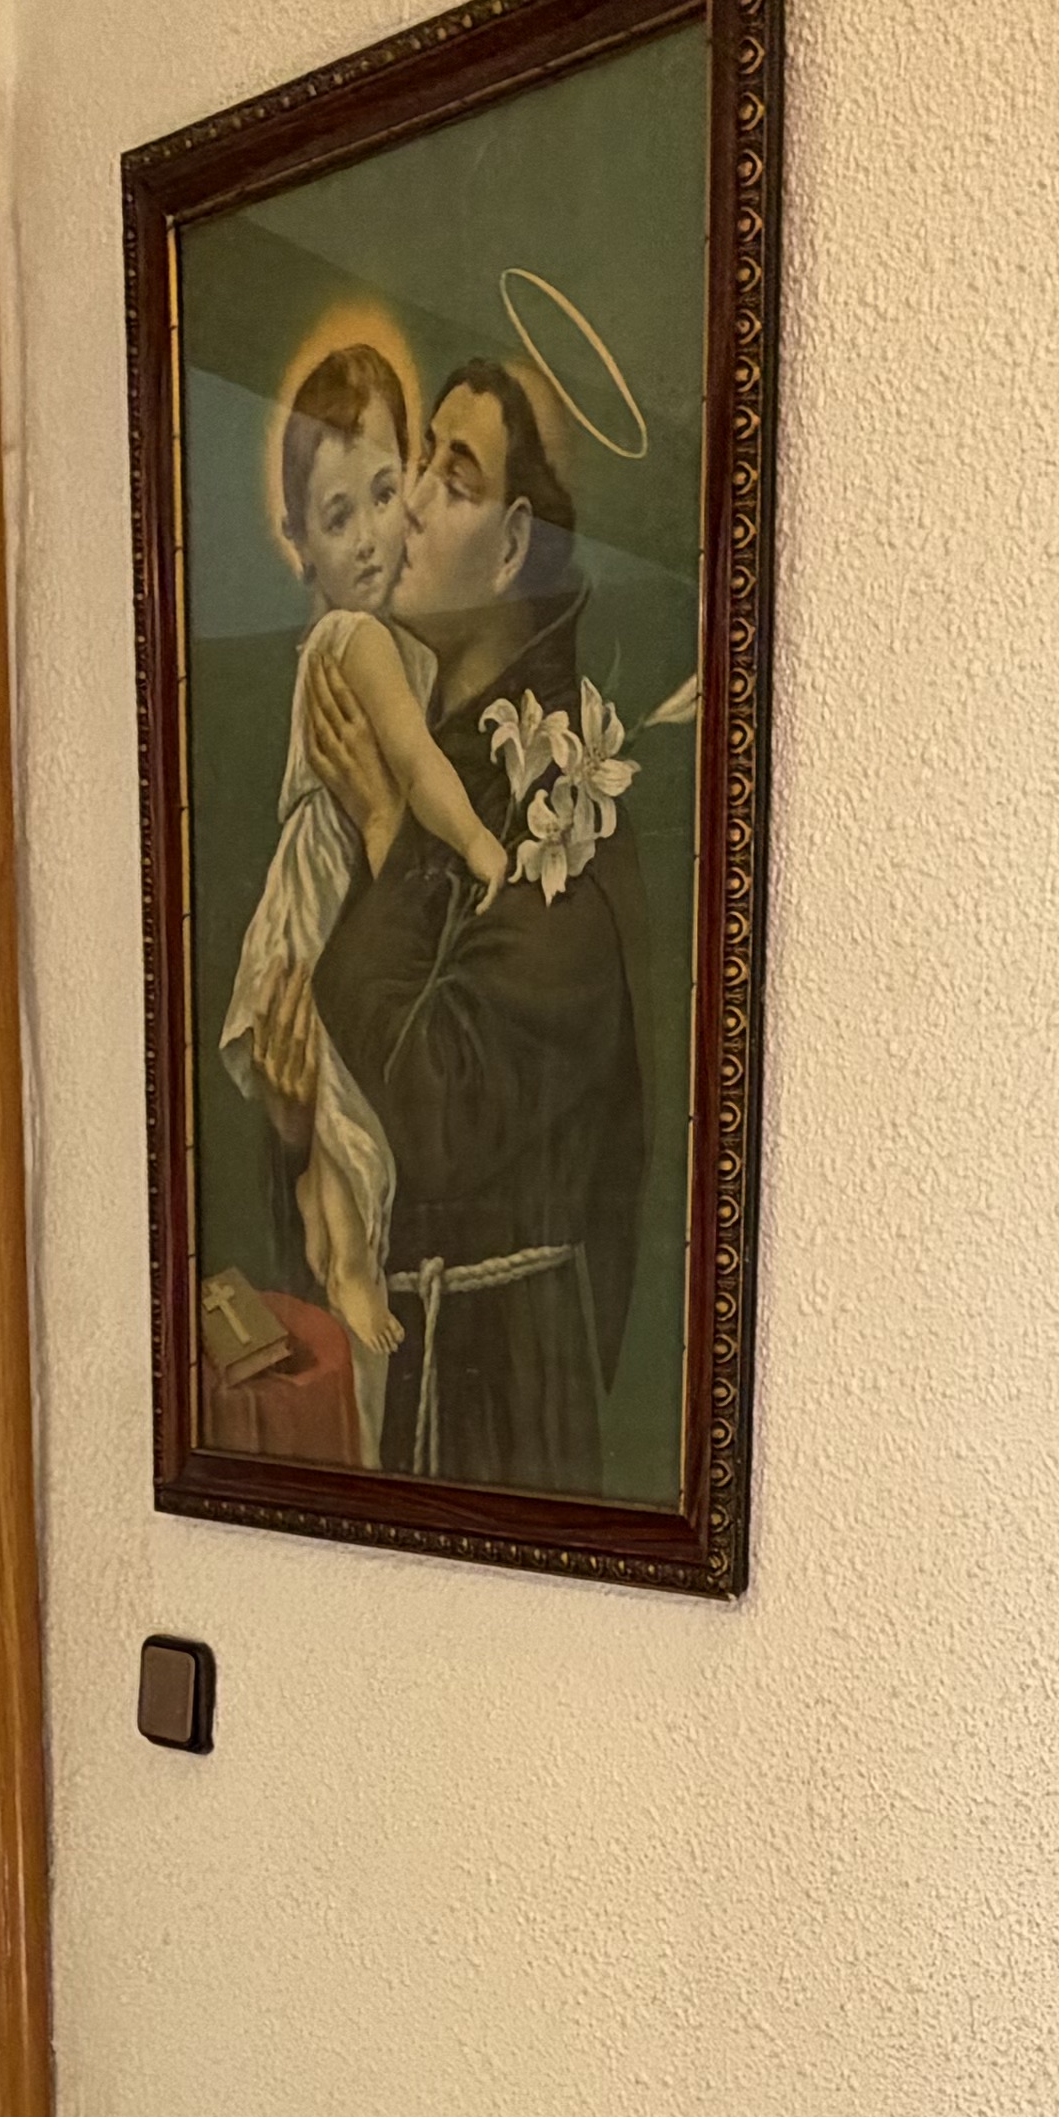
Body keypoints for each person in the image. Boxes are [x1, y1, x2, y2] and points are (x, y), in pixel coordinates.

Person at [306, 357, 652, 1495]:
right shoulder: (416, 741)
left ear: (509, 548)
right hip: (408, 1360)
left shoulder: (568, 806)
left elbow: (443, 1106)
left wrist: (386, 831)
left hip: (504, 1389)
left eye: (450, 483)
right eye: (418, 464)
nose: (405, 505)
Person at [208, 341, 478, 1461]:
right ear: (299, 547)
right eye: (335, 516)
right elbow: (414, 773)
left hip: (334, 911)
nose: (369, 535)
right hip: (318, 909)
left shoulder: (443, 654)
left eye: (383, 493)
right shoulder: (358, 641)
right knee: (336, 1122)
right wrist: (475, 846)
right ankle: (348, 1267)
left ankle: (344, 1256)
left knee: (337, 1139)